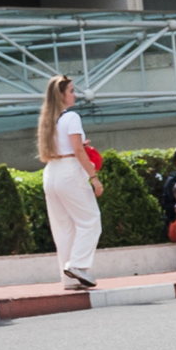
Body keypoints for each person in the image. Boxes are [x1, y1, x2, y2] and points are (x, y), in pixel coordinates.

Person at [36, 74, 104, 289]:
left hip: (51, 171)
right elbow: (77, 150)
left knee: (63, 227)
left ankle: (69, 279)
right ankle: (77, 265)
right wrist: (94, 178)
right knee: (90, 220)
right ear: (62, 95)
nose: (75, 94)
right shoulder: (72, 117)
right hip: (69, 171)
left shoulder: (48, 121)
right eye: (71, 91)